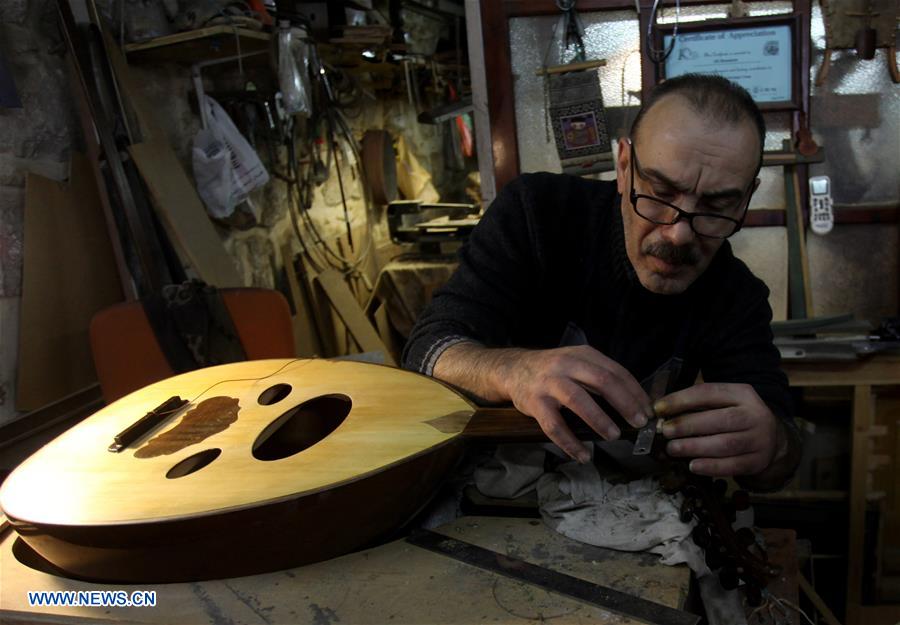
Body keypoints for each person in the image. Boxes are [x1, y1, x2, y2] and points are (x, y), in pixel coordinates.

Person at [402, 73, 802, 491]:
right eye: (661, 192)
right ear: (625, 166)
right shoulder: (537, 213)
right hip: (493, 490)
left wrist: (772, 444)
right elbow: (427, 351)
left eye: (717, 206)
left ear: (747, 198)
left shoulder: (735, 296)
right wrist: (513, 369)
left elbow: (780, 461)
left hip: (626, 507)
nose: (678, 234)